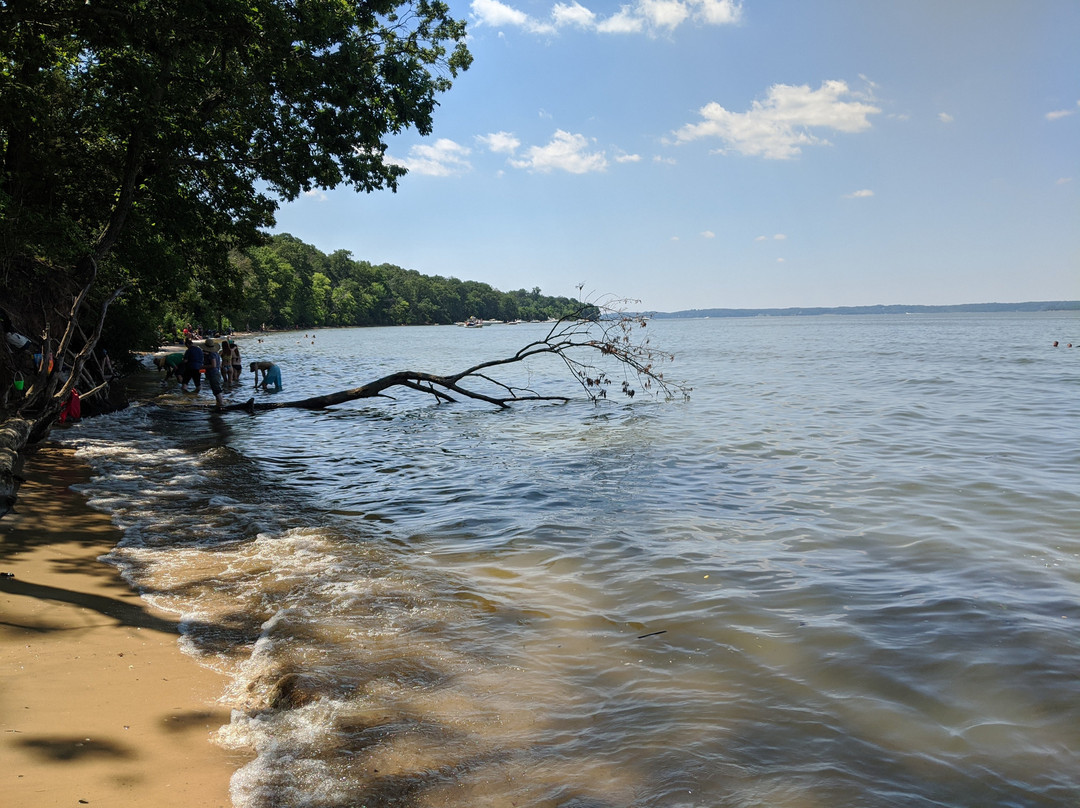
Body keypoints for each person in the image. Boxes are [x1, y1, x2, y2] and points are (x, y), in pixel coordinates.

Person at [202, 339, 225, 408]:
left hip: (213, 373)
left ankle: (220, 404)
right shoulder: (215, 353)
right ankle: (219, 403)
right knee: (215, 389)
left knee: (216, 390)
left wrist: (201, 366)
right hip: (216, 373)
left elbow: (213, 365)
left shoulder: (211, 354)